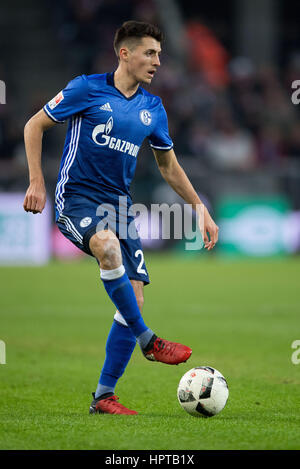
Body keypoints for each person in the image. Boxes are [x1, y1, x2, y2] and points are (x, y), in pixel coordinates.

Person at [23, 20, 219, 415]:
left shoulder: (153, 108)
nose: (157, 62)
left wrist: (200, 208)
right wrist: (36, 182)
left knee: (135, 298)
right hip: (77, 200)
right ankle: (149, 342)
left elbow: (168, 166)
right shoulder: (86, 89)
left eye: (160, 55)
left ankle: (103, 397)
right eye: (150, 53)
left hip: (120, 207)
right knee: (107, 247)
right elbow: (34, 124)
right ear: (124, 53)